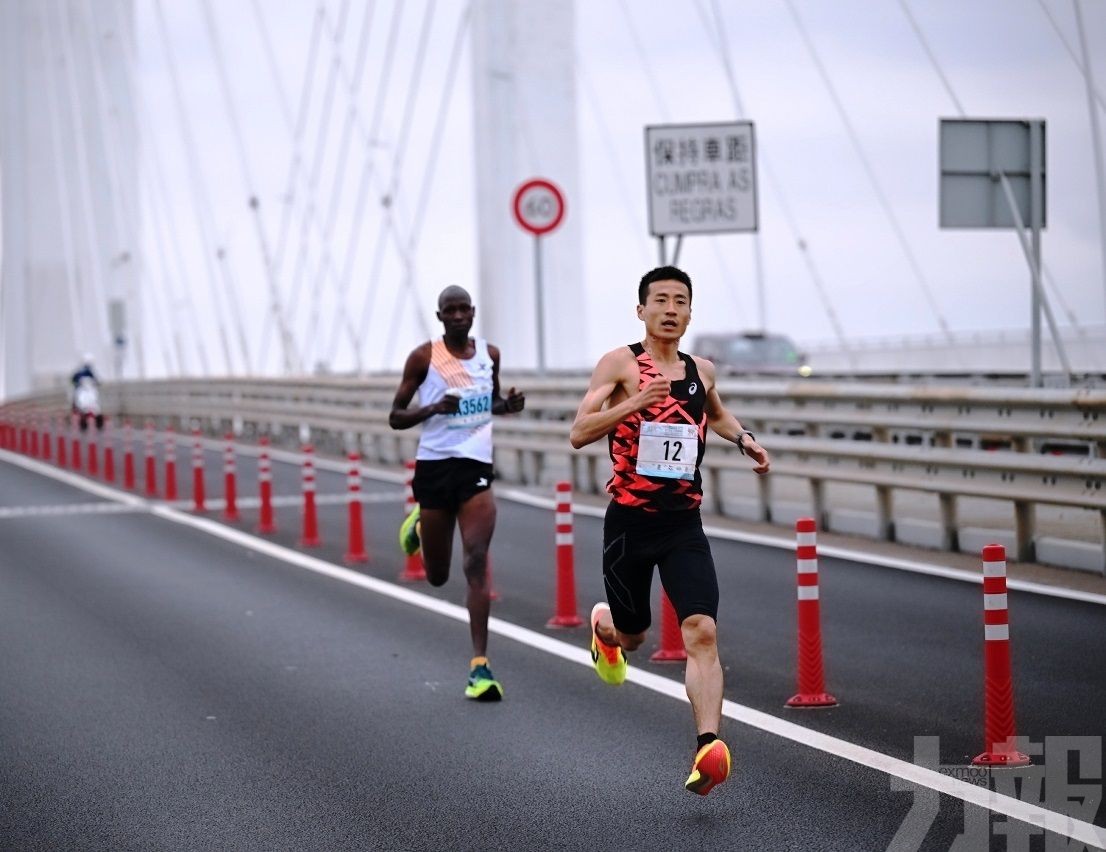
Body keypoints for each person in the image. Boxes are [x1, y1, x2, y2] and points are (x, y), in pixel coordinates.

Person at [569, 266, 770, 796]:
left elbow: (718, 415)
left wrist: (744, 439)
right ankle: (605, 628)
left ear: (689, 311)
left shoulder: (700, 370)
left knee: (701, 631)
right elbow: (578, 432)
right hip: (630, 526)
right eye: (660, 300)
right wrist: (636, 401)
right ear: (641, 310)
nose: (671, 308)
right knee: (634, 635)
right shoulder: (618, 363)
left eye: (681, 300)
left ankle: (708, 747)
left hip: (684, 524)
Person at [389, 285, 525, 701]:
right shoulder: (424, 358)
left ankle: (479, 666)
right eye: (451, 310)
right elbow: (395, 416)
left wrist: (509, 406)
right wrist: (432, 408)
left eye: (464, 308)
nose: (459, 315)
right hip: (433, 470)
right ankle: (418, 519)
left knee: (477, 559)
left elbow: (491, 403)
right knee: (437, 575)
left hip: (476, 469)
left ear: (473, 312)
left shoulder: (490, 355)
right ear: (440, 316)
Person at [70, 353, 103, 432]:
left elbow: (97, 381)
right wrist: (77, 384)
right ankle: (80, 418)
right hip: (81, 391)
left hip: (89, 391)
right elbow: (73, 380)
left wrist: (96, 383)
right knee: (78, 402)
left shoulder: (90, 372)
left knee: (95, 403)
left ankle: (97, 421)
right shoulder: (79, 372)